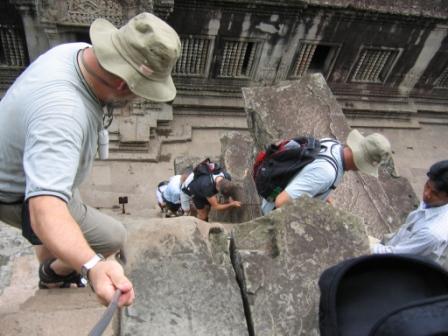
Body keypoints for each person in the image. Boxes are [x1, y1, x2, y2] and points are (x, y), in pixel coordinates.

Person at [0, 12, 181, 307]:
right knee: (112, 236)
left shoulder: (75, 53)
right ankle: (52, 273)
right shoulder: (64, 115)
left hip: (23, 162)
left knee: (54, 228)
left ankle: (51, 266)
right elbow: (45, 209)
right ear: (124, 85)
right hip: (16, 192)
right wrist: (93, 266)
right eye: (142, 92)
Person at [261, 129, 394, 214]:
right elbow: (282, 202)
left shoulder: (333, 144)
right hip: (271, 214)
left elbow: (306, 173)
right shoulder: (326, 173)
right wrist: (317, 211)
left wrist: (323, 197)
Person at [371, 160, 448, 266]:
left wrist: (363, 245)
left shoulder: (432, 233)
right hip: (396, 244)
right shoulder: (434, 202)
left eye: (435, 193)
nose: (426, 194)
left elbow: (394, 256)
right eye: (427, 186)